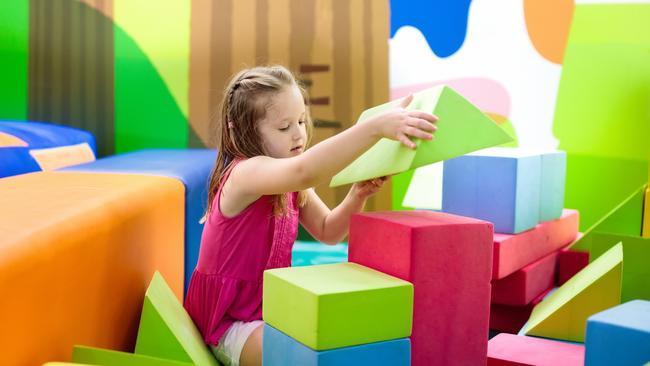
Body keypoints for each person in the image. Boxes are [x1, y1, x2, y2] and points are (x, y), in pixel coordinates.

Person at [184, 65, 438, 366]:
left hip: (272, 309)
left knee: (345, 343)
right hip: (228, 322)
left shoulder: (289, 184)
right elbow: (304, 171)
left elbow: (329, 231)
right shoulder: (244, 174)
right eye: (284, 127)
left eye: (302, 121)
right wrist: (373, 128)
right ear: (242, 130)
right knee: (297, 357)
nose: (298, 135)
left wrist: (358, 195)